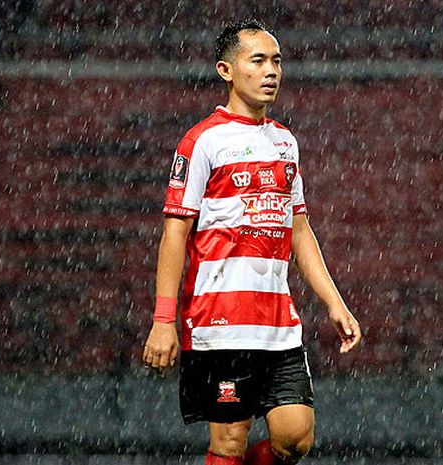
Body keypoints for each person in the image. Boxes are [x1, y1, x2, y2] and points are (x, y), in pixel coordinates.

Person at [142, 20, 362, 465]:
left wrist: (334, 302)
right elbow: (175, 233)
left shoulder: (285, 143)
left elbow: (298, 228)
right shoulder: (202, 141)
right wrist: (164, 320)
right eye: (257, 60)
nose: (271, 72)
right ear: (226, 70)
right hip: (220, 320)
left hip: (279, 323)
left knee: (295, 439)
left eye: (276, 61)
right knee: (228, 444)